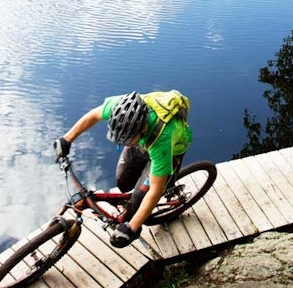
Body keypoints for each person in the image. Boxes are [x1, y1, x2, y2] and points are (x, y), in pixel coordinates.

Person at [54, 90, 191, 248]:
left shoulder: (162, 140)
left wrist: (131, 228)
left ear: (142, 129)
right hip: (140, 144)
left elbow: (155, 190)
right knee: (123, 183)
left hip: (168, 151)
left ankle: (143, 204)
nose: (124, 143)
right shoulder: (121, 109)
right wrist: (66, 139)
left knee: (139, 200)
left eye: (126, 139)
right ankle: (133, 199)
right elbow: (93, 115)